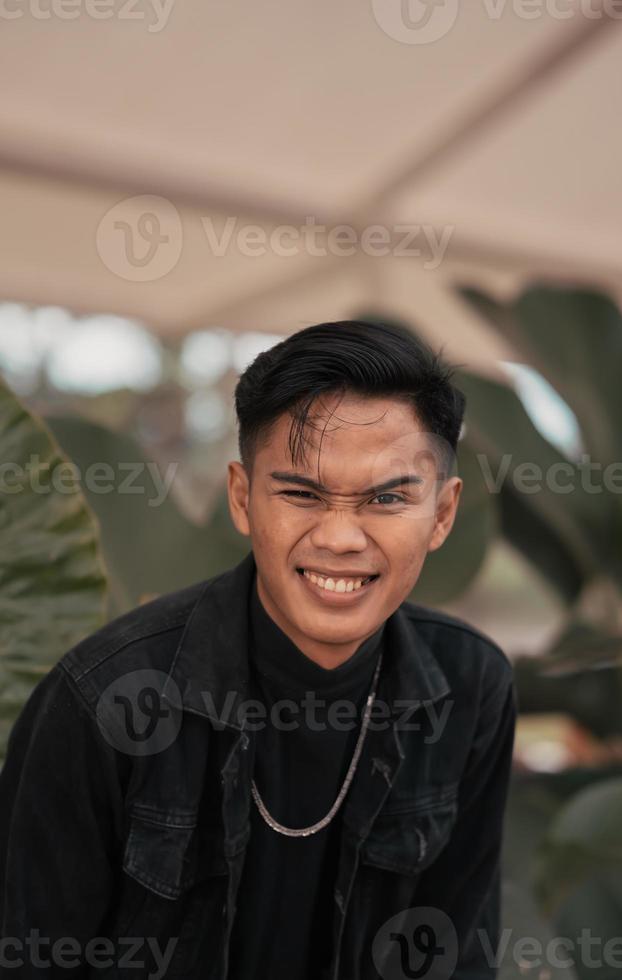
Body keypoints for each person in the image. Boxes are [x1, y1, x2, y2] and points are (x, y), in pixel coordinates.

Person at [0, 319, 517, 980]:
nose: (339, 538)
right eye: (302, 494)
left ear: (442, 515)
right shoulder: (104, 695)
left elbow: (454, 954)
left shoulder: (470, 686)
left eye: (386, 498)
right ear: (243, 499)